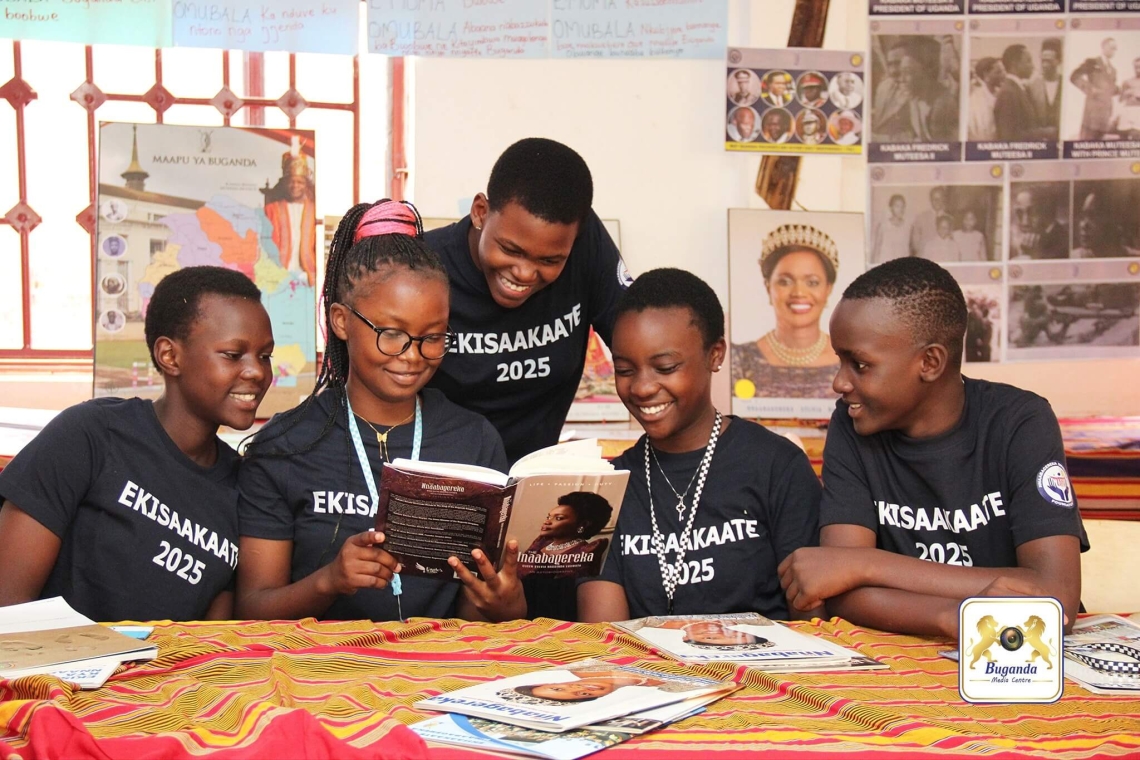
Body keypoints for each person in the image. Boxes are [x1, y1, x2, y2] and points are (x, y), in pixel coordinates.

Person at [236, 199, 524, 624]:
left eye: (432, 337)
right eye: (392, 334)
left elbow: (488, 614)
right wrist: (328, 581)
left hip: (439, 675)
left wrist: (504, 601)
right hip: (322, 677)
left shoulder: (473, 441)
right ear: (340, 321)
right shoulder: (285, 446)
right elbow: (251, 611)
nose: (412, 356)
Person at [777, 257, 1087, 638]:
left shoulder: (1020, 422)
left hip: (1023, 654)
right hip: (918, 653)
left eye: (859, 364)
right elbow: (840, 591)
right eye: (840, 360)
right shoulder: (851, 424)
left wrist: (869, 565)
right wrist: (954, 615)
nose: (840, 383)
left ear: (930, 362)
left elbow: (1056, 595)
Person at [0, 266, 274, 621]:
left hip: (168, 676)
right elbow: (8, 609)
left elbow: (210, 638)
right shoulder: (90, 435)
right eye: (233, 355)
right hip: (53, 673)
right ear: (169, 356)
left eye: (264, 356)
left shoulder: (244, 486)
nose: (256, 372)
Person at [578, 269, 822, 622]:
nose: (642, 387)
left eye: (665, 367)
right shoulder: (608, 488)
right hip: (646, 673)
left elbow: (812, 627)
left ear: (715, 355)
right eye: (625, 369)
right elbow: (607, 641)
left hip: (762, 672)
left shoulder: (777, 466)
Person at [423, 139, 628, 465]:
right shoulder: (422, 267)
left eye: (549, 260)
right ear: (480, 212)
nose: (523, 274)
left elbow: (637, 342)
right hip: (440, 478)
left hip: (535, 479)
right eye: (510, 250)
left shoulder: (585, 244)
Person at [733, 224, 841, 399]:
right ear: (768, 287)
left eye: (812, 282)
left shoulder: (847, 360)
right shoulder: (740, 360)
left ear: (828, 289)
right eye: (785, 282)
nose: (799, 293)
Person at [519, 491, 613, 578]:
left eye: (559, 518)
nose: (547, 521)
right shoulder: (541, 541)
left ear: (583, 524)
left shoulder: (583, 553)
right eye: (548, 516)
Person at [264, 148, 317, 287]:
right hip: (279, 275)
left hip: (308, 277)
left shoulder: (314, 211)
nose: (295, 186)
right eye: (291, 182)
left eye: (300, 182)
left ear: (306, 185)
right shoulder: (271, 209)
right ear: (285, 183)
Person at [995, 45, 1053, 142]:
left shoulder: (1018, 89)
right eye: (1028, 61)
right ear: (1015, 64)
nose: (1032, 66)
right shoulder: (1008, 93)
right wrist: (1044, 132)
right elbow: (1009, 136)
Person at [1070, 38, 1119, 141]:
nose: (1115, 50)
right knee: (1086, 142)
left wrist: (1124, 89)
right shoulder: (1092, 62)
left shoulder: (1113, 70)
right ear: (1104, 46)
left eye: (1115, 48)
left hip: (1105, 113)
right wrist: (1090, 89)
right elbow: (1074, 76)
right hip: (1092, 113)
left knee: (1099, 145)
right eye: (1112, 47)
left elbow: (1111, 89)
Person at [1010, 185, 1069, 260]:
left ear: (1046, 212)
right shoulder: (1031, 240)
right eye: (1019, 213)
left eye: (1032, 212)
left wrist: (1035, 257)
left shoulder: (1063, 242)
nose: (1025, 223)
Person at [872, 43, 909, 142]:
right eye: (890, 64)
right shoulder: (883, 86)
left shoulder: (916, 91)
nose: (893, 70)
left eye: (898, 63)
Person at [1028, 38, 1063, 133]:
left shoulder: (1066, 85)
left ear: (1059, 61)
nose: (1044, 65)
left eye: (1049, 61)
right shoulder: (1032, 85)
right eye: (1042, 61)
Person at [968, 57, 1005, 142]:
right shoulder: (977, 99)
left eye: (1003, 71)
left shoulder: (1000, 93)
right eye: (998, 72)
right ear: (986, 75)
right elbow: (983, 133)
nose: (1003, 75)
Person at [909, 186, 948, 258]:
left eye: (939, 198)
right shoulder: (921, 218)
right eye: (934, 199)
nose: (937, 201)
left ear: (944, 199)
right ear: (930, 200)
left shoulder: (949, 219)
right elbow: (915, 243)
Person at [872, 194, 911, 264]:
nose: (901, 209)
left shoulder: (907, 227)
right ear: (891, 208)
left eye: (903, 206)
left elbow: (908, 249)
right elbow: (877, 249)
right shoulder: (883, 226)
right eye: (897, 206)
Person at [1115, 56, 1140, 139]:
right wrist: (1127, 93)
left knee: (1136, 137)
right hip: (1127, 112)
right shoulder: (1127, 82)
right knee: (1123, 137)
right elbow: (1120, 99)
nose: (1138, 69)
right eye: (1136, 67)